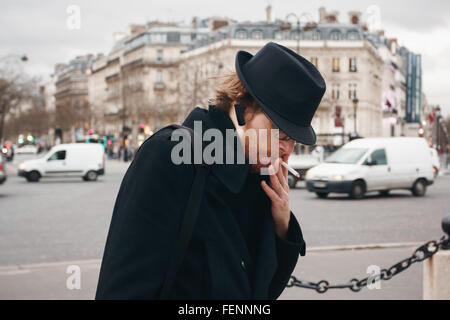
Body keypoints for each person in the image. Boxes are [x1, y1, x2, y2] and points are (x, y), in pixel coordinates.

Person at [95, 42, 326, 300]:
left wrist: (281, 225)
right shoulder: (171, 156)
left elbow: (263, 293)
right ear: (241, 107)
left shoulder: (257, 178)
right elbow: (123, 289)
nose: (287, 150)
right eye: (280, 133)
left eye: (294, 139)